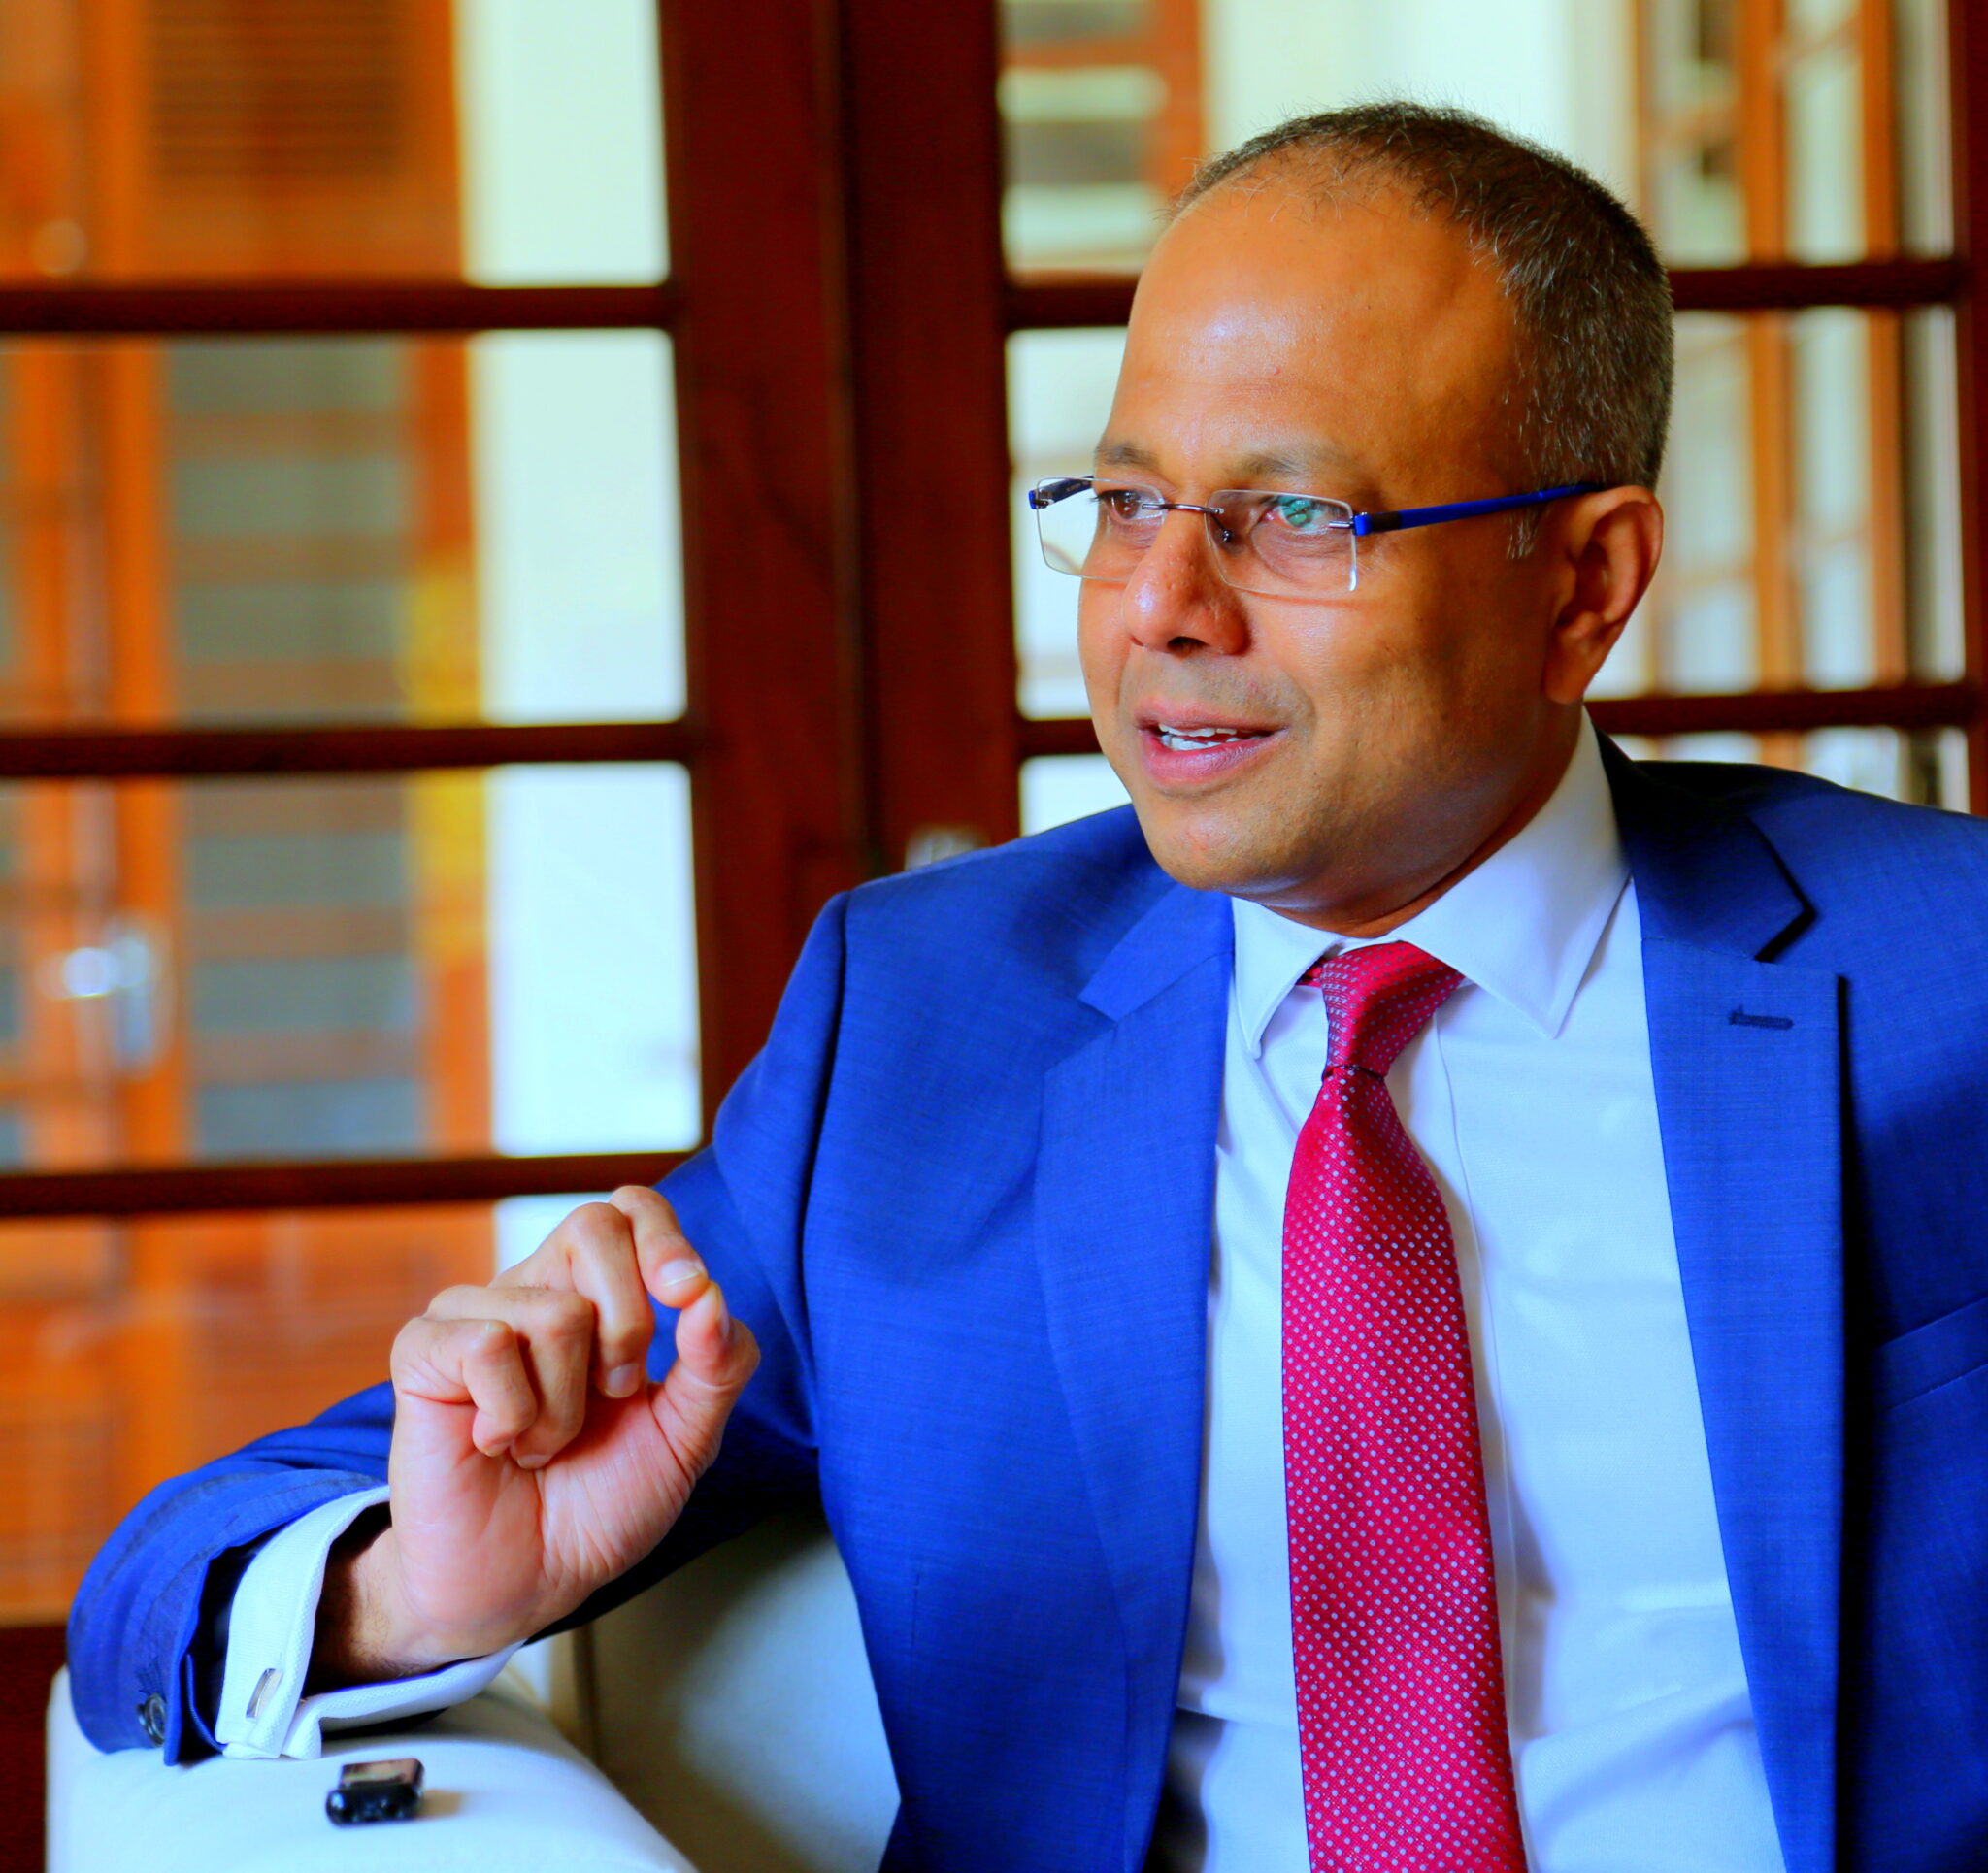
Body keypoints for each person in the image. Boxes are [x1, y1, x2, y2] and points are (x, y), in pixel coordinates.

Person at [67, 102, 1988, 1873]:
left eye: (1294, 518)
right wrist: (425, 1588)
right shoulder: (925, 1034)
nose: (1161, 605)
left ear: (1584, 583)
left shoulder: (1941, 976)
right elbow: (161, 1581)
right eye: (1126, 501)